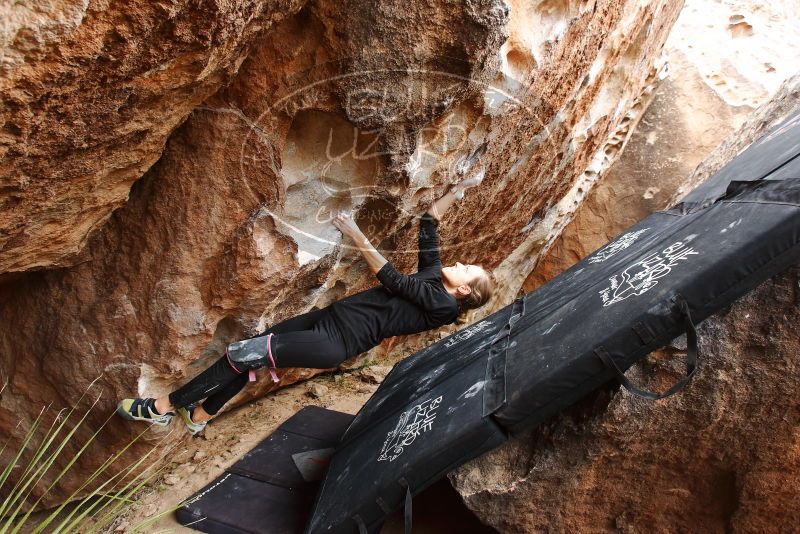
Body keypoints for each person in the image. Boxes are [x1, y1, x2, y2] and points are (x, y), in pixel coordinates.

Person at [116, 173, 492, 435]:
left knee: (243, 353)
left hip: (335, 343)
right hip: (329, 320)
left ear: (463, 292)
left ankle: (161, 409)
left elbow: (390, 278)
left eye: (468, 269)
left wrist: (355, 233)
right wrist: (460, 187)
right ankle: (201, 414)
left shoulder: (442, 307)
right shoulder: (434, 275)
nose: (460, 263)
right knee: (254, 353)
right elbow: (429, 223)